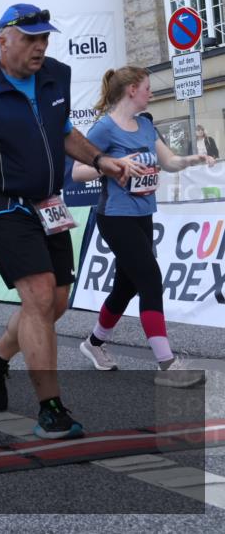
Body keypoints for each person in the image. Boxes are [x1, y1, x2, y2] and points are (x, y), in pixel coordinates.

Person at [0, 3, 131, 439]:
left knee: (55, 303)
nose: (40, 47)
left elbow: (62, 131)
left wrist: (100, 159)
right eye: (31, 39)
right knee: (37, 296)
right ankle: (50, 408)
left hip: (47, 201)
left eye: (44, 38)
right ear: (3, 41)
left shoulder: (54, 74)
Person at [72, 66, 214, 386]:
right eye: (148, 87)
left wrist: (195, 159)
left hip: (143, 215)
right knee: (150, 277)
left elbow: (169, 162)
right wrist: (115, 165)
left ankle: (93, 344)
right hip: (114, 217)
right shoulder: (104, 129)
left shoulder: (147, 125)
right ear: (132, 90)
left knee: (127, 285)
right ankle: (167, 363)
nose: (152, 92)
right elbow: (79, 172)